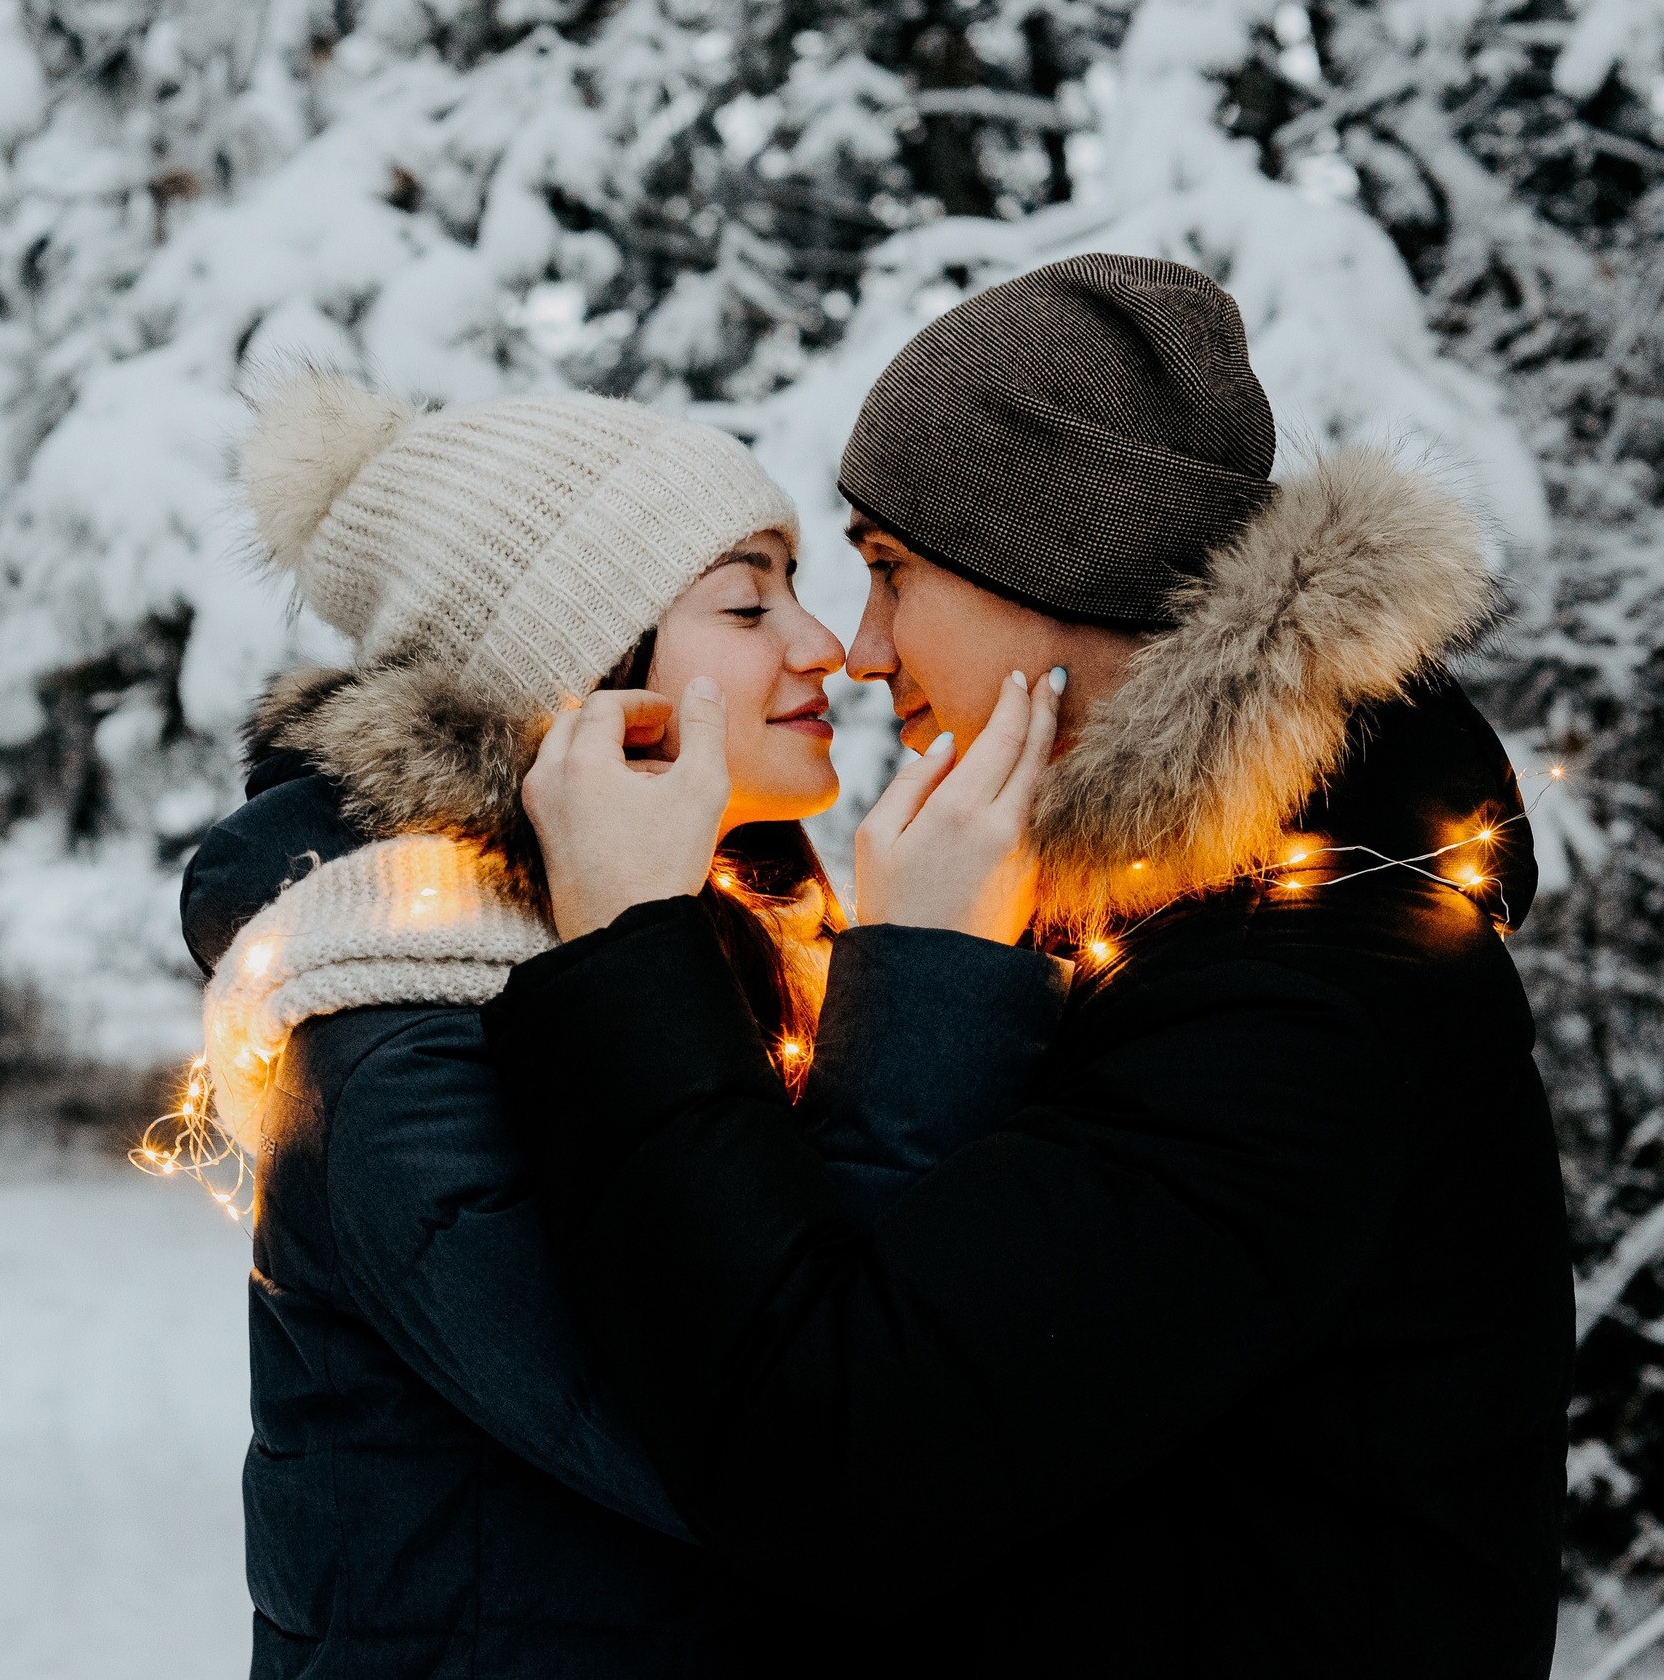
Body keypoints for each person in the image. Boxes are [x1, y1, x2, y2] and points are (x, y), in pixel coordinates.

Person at [485, 254, 1576, 1677]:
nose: (862, 650)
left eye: (891, 572)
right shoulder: (1185, 932)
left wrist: (639, 949)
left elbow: (832, 1468)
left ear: (1062, 571)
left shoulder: (1296, 1003)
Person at [178, 371, 1068, 1678]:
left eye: (797, 590)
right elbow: (792, 1458)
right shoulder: (403, 1043)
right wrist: (929, 978)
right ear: (577, 669)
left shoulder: (724, 948)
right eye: (748, 604)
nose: (824, 645)